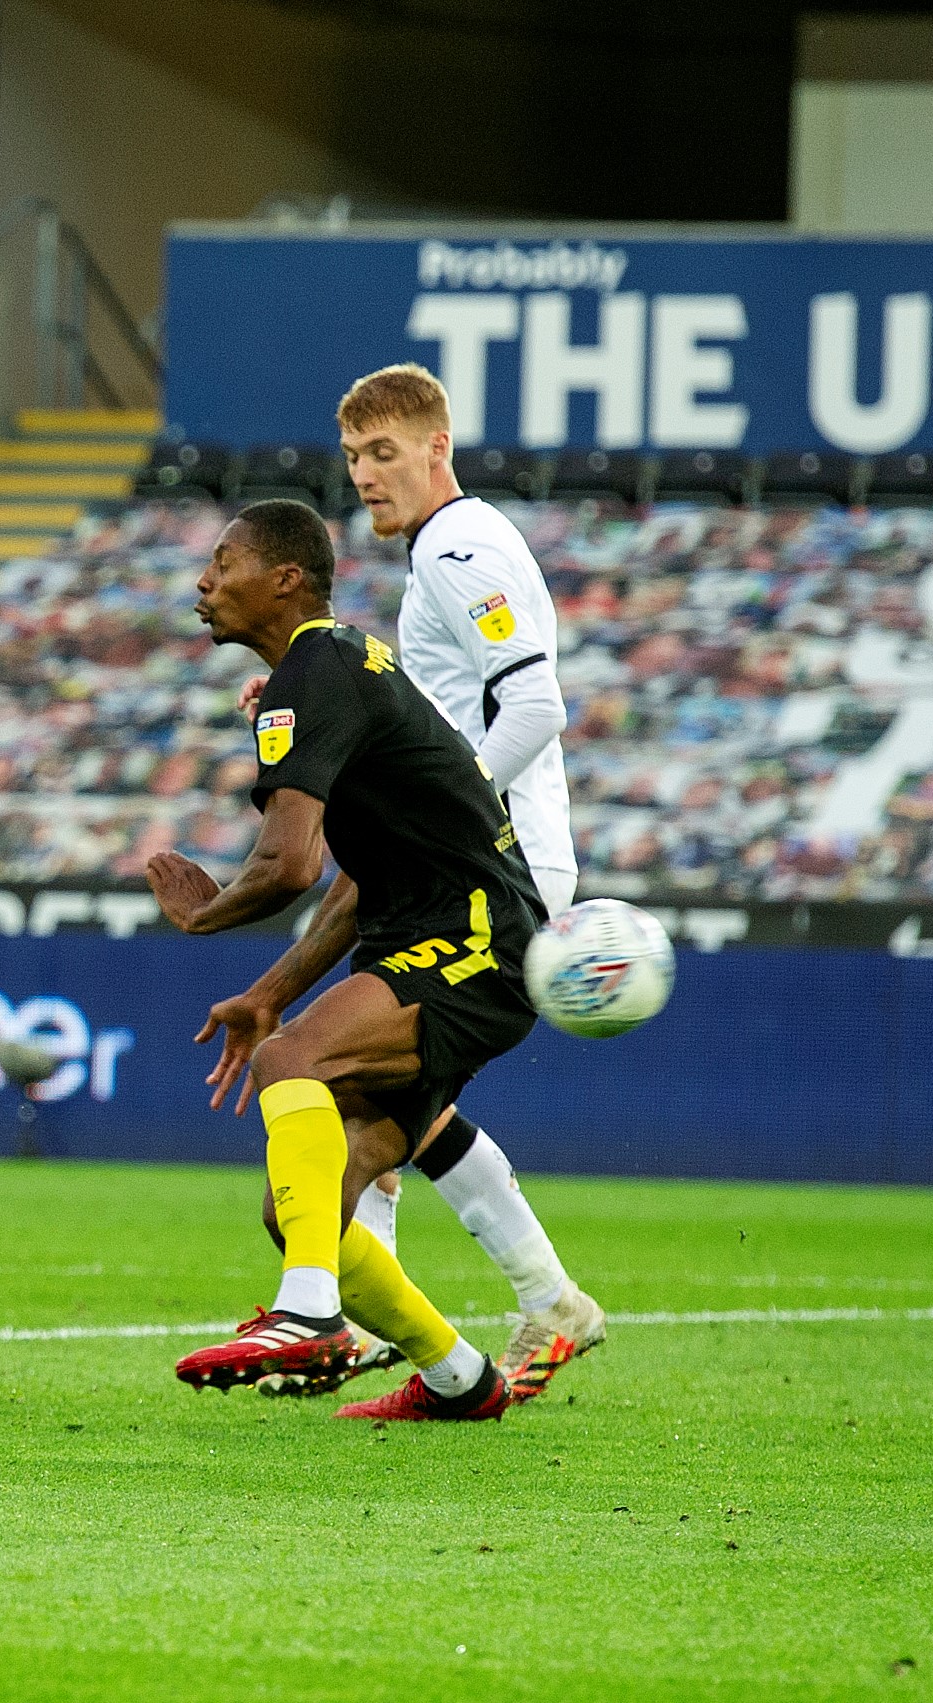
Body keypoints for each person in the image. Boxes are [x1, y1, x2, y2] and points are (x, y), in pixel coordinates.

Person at [216, 366, 608, 1407]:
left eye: (384, 452)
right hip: (466, 860)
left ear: (438, 446)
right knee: (383, 1114)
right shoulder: (444, 551)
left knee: (346, 1082)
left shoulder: (458, 545)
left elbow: (534, 707)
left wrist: (450, 809)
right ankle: (525, 1304)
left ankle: (342, 1317)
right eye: (352, 458)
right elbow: (430, 706)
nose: (365, 476)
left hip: (486, 866)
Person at [146, 498, 545, 1422]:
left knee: (294, 1060)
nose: (204, 582)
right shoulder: (336, 669)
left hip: (478, 938)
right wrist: (270, 990)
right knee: (300, 1213)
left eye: (224, 562)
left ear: (286, 578)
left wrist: (206, 918)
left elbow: (291, 864)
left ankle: (310, 1315)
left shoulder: (313, 668)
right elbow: (353, 884)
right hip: (450, 941)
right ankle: (460, 1380)